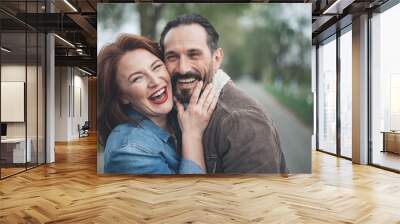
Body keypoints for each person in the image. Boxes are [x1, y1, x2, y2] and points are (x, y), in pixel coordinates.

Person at [160, 14, 288, 174]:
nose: (183, 68)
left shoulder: (242, 122)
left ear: (217, 58)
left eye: (194, 55)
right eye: (172, 57)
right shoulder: (172, 108)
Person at [98, 34, 218, 174]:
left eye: (156, 67)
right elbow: (188, 194)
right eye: (137, 78)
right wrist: (192, 136)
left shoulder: (177, 109)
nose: (155, 81)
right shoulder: (128, 151)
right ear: (122, 96)